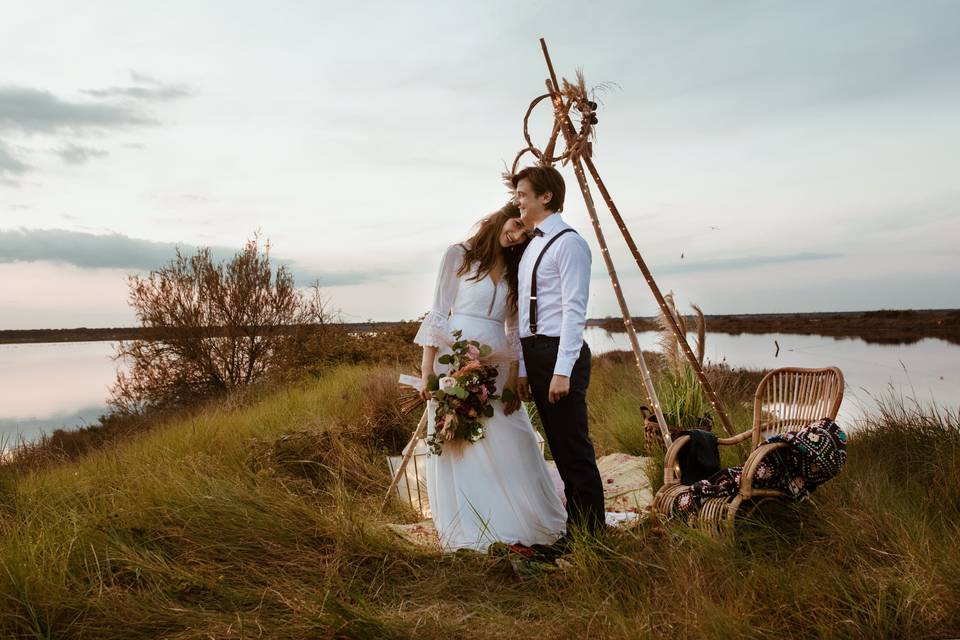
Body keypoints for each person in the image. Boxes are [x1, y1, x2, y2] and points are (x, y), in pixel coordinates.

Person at [414, 202, 567, 552]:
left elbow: (514, 329)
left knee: (512, 434)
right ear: (502, 215)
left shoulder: (517, 269)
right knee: (462, 439)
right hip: (455, 356)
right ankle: (474, 522)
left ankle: (524, 518)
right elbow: (438, 313)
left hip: (499, 363)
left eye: (524, 235)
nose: (516, 236)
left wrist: (515, 377)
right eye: (515, 225)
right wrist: (427, 372)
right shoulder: (459, 255)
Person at [513, 165, 606, 538]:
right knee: (559, 450)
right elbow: (524, 312)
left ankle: (591, 538)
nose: (517, 200)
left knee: (573, 450)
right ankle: (575, 531)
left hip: (558, 355)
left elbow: (574, 310)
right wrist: (523, 366)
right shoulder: (532, 244)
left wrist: (562, 369)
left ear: (545, 196)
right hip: (535, 354)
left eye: (522, 194)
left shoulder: (569, 243)